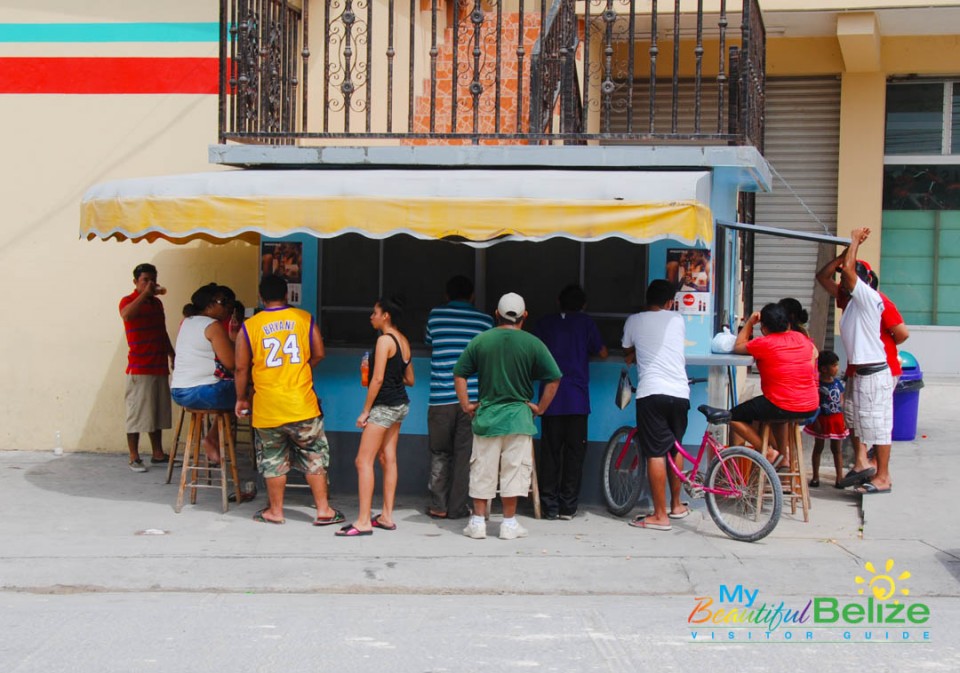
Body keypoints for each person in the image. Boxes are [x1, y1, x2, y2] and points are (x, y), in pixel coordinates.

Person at [453, 292, 562, 540]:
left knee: (483, 470)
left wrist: (466, 405)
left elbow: (459, 373)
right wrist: (541, 407)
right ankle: (509, 524)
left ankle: (478, 522)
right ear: (525, 316)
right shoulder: (533, 343)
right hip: (519, 418)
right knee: (514, 472)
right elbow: (554, 377)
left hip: (487, 417)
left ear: (496, 315)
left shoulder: (481, 341)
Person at [234, 275, 341, 525]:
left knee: (273, 460)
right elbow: (319, 353)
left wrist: (241, 398)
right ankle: (324, 510)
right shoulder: (304, 319)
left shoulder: (250, 326)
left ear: (261, 296)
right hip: (302, 404)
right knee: (314, 455)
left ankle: (276, 511)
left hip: (268, 407)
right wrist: (301, 368)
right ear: (286, 294)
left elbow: (240, 368)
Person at [816, 229, 896, 494]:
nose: (844, 279)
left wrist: (854, 244)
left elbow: (849, 272)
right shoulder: (849, 301)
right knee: (859, 421)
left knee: (879, 426)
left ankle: (883, 476)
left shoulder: (868, 297)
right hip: (860, 373)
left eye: (849, 277)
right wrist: (841, 256)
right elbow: (823, 276)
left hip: (874, 372)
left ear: (864, 282)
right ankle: (863, 464)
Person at [338, 297, 415, 537]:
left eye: (375, 312)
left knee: (363, 461)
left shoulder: (384, 341)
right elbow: (410, 379)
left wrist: (365, 411)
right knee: (387, 457)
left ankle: (363, 521)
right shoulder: (403, 341)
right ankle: (386, 516)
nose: (371, 317)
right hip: (401, 404)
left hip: (384, 406)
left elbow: (378, 379)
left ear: (386, 316)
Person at [620, 280, 690, 532]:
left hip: (652, 393)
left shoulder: (634, 320)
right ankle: (677, 505)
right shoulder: (677, 320)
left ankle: (660, 516)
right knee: (676, 447)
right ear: (670, 302)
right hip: (681, 393)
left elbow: (627, 349)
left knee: (656, 453)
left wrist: (638, 351)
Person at [534, 284, 607, 520]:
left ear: (558, 301)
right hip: (576, 400)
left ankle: (549, 506)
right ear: (584, 305)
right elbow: (603, 352)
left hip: (550, 400)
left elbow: (533, 354)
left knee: (550, 454)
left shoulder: (545, 323)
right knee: (574, 455)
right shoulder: (586, 323)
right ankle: (568, 506)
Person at [424, 276, 494, 520]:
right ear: (472, 296)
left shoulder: (435, 316)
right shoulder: (485, 321)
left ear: (446, 295)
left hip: (440, 398)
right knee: (465, 456)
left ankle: (438, 506)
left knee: (440, 453)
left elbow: (429, 342)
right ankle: (457, 508)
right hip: (472, 400)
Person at [730, 303, 819, 465]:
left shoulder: (763, 343)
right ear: (788, 324)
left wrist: (750, 322)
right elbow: (814, 353)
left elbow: (737, 347)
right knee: (777, 415)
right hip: (810, 405)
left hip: (781, 404)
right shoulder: (802, 338)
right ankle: (784, 458)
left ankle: (770, 453)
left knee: (731, 416)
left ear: (763, 328)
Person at [171, 284, 237, 464]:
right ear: (208, 305)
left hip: (179, 391)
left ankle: (214, 437)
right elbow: (231, 363)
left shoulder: (188, 322)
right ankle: (212, 438)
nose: (227, 307)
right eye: (222, 302)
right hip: (203, 392)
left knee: (236, 392)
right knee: (247, 392)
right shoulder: (213, 326)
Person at [118, 263, 175, 472]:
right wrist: (144, 295)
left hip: (158, 365)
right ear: (136, 282)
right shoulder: (129, 301)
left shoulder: (157, 304)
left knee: (156, 412)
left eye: (153, 280)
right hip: (139, 367)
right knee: (137, 414)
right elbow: (126, 315)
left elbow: (162, 330)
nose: (151, 284)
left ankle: (157, 453)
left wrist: (171, 353)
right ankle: (134, 456)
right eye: (145, 280)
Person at [803, 350, 848, 488]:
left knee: (837, 449)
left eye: (837, 365)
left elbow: (841, 400)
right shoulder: (817, 385)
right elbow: (814, 403)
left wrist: (844, 418)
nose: (837, 368)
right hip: (821, 420)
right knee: (818, 447)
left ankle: (839, 478)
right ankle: (815, 477)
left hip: (836, 419)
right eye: (834, 365)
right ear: (823, 368)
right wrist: (815, 421)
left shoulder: (837, 383)